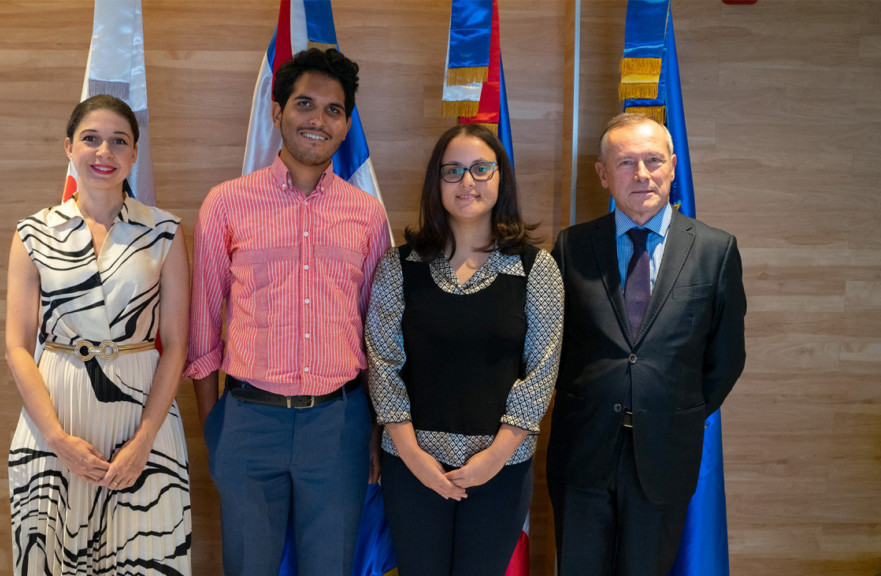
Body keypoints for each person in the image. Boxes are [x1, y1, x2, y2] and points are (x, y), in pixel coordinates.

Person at [185, 48, 390, 576]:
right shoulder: (225, 204)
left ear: (346, 125)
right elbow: (202, 328)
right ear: (277, 111)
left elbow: (378, 333)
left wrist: (373, 429)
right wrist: (215, 427)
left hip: (340, 425)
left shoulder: (367, 215)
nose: (318, 119)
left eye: (333, 110)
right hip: (248, 421)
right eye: (305, 104)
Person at [546, 113, 747, 576]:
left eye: (654, 160)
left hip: (665, 452)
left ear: (673, 167)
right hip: (582, 449)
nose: (642, 174)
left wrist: (674, 409)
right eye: (626, 162)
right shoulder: (572, 246)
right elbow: (552, 347)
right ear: (602, 174)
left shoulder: (715, 250)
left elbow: (726, 358)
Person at [365, 123, 564, 576]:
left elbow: (541, 373)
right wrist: (414, 456)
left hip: (501, 467)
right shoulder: (399, 266)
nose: (467, 181)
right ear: (436, 182)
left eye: (480, 169)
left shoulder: (536, 269)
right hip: (412, 466)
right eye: (452, 170)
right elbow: (383, 365)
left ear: (500, 178)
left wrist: (493, 457)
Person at [6, 95, 192, 575]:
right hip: (55, 421)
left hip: (143, 422)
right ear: (69, 147)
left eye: (118, 141)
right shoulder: (32, 233)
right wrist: (56, 439)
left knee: (145, 557)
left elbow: (176, 345)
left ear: (134, 154)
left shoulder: (165, 232)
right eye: (91, 139)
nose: (104, 151)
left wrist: (144, 440)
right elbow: (16, 346)